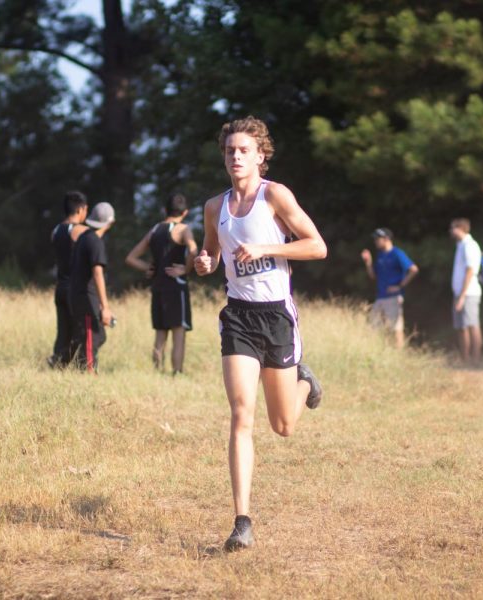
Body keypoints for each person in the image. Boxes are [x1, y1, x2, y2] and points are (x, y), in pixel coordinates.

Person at [194, 116, 327, 552]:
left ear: (260, 156)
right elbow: (213, 251)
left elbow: (316, 246)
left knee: (283, 425)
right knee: (240, 414)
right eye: (230, 150)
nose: (235, 156)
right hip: (239, 317)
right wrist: (205, 262)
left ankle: (305, 381)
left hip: (277, 318)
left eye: (243, 150)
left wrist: (268, 247)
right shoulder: (215, 207)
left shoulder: (276, 196)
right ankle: (242, 521)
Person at [125, 193, 198, 374]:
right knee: (179, 333)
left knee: (160, 333)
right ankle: (177, 373)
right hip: (176, 286)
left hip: (158, 286)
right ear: (185, 212)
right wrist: (186, 269)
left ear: (165, 210)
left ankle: (158, 372)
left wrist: (147, 268)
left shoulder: (155, 229)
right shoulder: (183, 229)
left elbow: (131, 258)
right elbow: (193, 250)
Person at [69, 202, 116, 373]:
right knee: (91, 338)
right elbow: (97, 273)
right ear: (110, 222)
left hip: (78, 295)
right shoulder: (95, 241)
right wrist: (106, 307)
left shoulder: (83, 237)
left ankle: (80, 371)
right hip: (87, 298)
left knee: (96, 336)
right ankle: (88, 376)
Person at [48, 191, 89, 368]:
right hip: (74, 288)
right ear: (80, 209)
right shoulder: (79, 231)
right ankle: (81, 366)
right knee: (79, 329)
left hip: (60, 287)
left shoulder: (55, 230)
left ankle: (57, 363)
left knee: (63, 330)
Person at [360, 227, 419, 348]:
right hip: (381, 296)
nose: (375, 241)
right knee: (374, 326)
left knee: (396, 328)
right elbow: (373, 276)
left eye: (378, 239)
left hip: (393, 297)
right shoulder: (380, 255)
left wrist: (400, 286)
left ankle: (399, 356)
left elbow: (413, 270)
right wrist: (368, 262)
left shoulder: (397, 253)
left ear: (386, 239)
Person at [450, 218, 483, 362]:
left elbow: (470, 270)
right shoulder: (460, 245)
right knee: (461, 326)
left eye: (452, 228)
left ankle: (475, 359)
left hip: (469, 293)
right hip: (460, 293)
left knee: (472, 324)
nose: (450, 231)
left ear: (460, 229)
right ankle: (465, 359)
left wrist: (462, 295)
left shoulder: (470, 245)